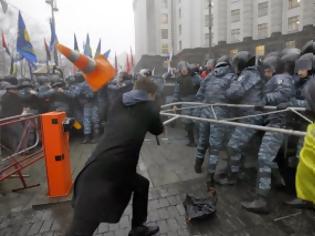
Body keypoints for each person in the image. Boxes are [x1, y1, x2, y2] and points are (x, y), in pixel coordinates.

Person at [67, 77, 164, 236]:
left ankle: (138, 227)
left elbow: (107, 114)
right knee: (84, 225)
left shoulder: (119, 101)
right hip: (112, 170)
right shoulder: (148, 107)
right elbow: (158, 129)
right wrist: (155, 108)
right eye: (153, 96)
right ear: (150, 94)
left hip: (100, 161)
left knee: (142, 184)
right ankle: (138, 228)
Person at [241, 52, 296, 214]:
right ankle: (282, 184)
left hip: (278, 124)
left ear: (273, 68)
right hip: (279, 122)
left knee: (264, 158)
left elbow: (282, 95)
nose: (265, 74)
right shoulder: (282, 78)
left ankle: (261, 199)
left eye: (267, 70)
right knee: (277, 159)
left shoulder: (281, 78)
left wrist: (265, 99)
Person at [222, 51, 265, 184]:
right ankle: (239, 171)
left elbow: (234, 93)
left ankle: (233, 176)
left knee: (233, 146)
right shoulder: (254, 73)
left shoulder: (247, 74)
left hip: (249, 116)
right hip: (250, 115)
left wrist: (228, 89)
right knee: (241, 146)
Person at [173, 61, 201, 146]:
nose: (183, 70)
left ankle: (199, 141)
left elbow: (203, 87)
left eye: (184, 67)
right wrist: (174, 104)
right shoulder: (179, 79)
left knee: (197, 122)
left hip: (196, 101)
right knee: (187, 122)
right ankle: (191, 141)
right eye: (181, 68)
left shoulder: (195, 76)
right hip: (185, 102)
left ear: (187, 67)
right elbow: (176, 92)